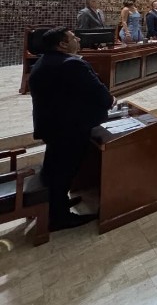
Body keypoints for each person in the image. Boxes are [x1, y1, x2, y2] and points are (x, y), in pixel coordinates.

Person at [29, 27, 115, 230]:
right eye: (72, 37)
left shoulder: (43, 61)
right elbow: (100, 94)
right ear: (62, 44)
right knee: (64, 171)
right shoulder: (72, 65)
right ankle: (59, 218)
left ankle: (56, 203)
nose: (77, 39)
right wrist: (110, 100)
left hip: (53, 127)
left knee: (56, 169)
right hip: (70, 128)